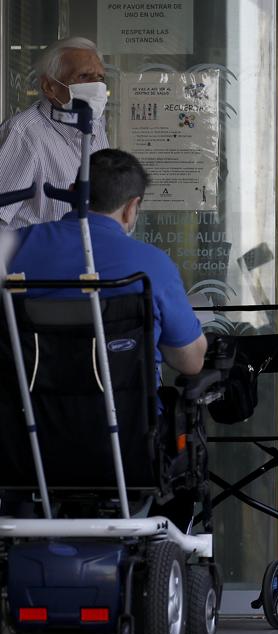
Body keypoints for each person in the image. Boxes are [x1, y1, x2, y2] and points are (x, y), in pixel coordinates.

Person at [6, 148, 205, 528]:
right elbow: (191, 362)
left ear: (70, 191)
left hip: (24, 446)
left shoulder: (15, 249)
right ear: (132, 207)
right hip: (123, 448)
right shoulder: (149, 265)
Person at [0, 37, 110, 230]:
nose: (97, 85)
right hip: (38, 257)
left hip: (87, 255)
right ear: (49, 86)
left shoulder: (96, 126)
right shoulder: (23, 134)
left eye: (100, 78)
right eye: (84, 76)